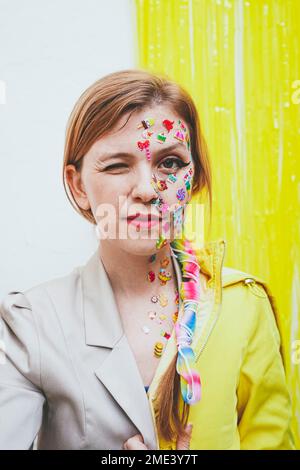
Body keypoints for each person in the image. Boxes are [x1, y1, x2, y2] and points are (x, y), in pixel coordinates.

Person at [0, 69, 296, 450]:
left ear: (195, 177)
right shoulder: (31, 322)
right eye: (117, 165)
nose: (147, 189)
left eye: (169, 163)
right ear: (78, 185)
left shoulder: (244, 305)